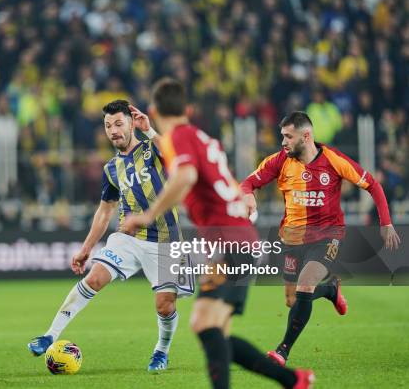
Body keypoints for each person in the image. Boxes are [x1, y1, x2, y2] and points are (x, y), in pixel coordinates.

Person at [124, 78, 314, 388]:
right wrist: (150, 131)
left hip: (233, 244)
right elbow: (183, 159)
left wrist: (148, 214)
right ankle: (293, 380)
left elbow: (185, 174)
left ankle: (292, 380)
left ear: (155, 110)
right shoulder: (195, 136)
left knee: (203, 323)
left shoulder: (180, 138)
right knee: (215, 331)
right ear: (187, 109)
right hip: (238, 240)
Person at [27, 99, 193, 372]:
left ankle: (161, 351)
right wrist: (86, 249)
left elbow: (179, 156)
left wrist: (149, 130)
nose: (113, 130)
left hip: (166, 239)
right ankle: (50, 335)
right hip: (128, 236)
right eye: (108, 126)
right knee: (95, 277)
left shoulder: (152, 148)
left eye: (118, 123)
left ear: (131, 123)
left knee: (164, 306)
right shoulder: (111, 168)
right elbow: (104, 212)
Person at [239, 111, 401, 366]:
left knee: (304, 286)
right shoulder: (280, 160)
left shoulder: (333, 160)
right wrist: (248, 195)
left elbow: (373, 184)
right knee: (292, 299)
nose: (283, 142)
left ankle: (282, 351)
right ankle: (330, 289)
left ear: (306, 136)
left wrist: (386, 222)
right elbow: (248, 182)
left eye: (288, 137)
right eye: (282, 136)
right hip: (292, 237)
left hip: (328, 236)